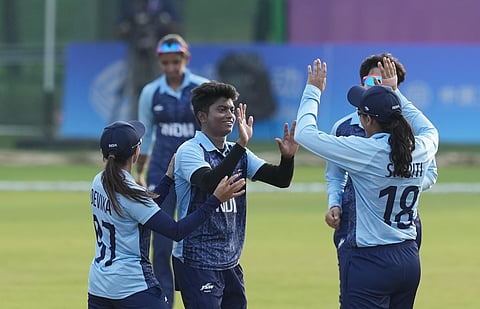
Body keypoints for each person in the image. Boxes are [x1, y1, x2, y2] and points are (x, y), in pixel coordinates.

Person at [295, 59, 438, 308]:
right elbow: (428, 128)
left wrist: (313, 91)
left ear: (368, 120)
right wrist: (395, 93)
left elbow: (304, 134)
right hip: (408, 256)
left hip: (371, 260)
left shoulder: (366, 150)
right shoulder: (421, 146)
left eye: (361, 113)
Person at [87, 120, 246, 309]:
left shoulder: (99, 181)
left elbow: (143, 212)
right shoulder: (133, 194)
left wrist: (167, 179)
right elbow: (176, 231)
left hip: (99, 286)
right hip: (132, 287)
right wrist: (215, 200)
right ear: (136, 153)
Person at [172, 81, 299, 308]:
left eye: (232, 109)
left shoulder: (237, 152)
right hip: (196, 260)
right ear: (202, 116)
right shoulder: (189, 151)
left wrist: (287, 158)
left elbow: (281, 180)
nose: (230, 115)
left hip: (230, 260)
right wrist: (241, 144)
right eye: (222, 109)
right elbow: (211, 182)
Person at [325, 53, 437, 252]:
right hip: (354, 220)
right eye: (373, 80)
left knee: (402, 275)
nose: (378, 86)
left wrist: (398, 184)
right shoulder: (343, 127)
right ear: (362, 82)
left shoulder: (408, 129)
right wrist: (335, 204)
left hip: (400, 220)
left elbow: (430, 173)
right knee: (354, 279)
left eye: (385, 82)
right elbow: (335, 175)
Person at [136, 33, 209, 307]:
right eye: (165, 63)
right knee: (162, 241)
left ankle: (201, 294)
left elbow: (214, 133)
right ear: (159, 61)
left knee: (198, 239)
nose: (170, 68)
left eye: (175, 62)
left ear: (186, 59)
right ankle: (164, 300)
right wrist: (139, 174)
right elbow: (145, 135)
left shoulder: (202, 90)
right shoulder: (151, 92)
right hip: (160, 174)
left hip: (197, 173)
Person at [115, 0, 183, 118]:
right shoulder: (130, 4)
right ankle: (135, 127)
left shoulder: (164, 3)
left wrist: (162, 24)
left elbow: (176, 28)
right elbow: (119, 29)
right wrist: (128, 29)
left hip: (160, 52)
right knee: (137, 90)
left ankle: (162, 122)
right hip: (136, 53)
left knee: (161, 87)